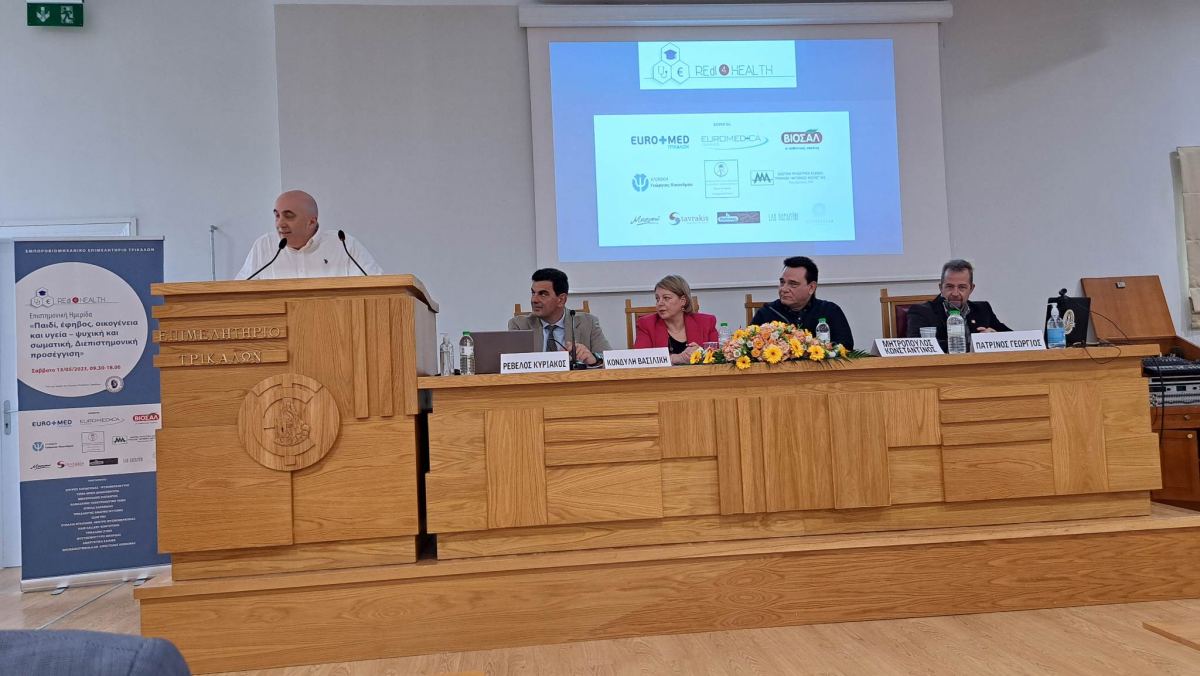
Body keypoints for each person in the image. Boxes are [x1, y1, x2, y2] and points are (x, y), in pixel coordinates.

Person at [236, 190, 383, 279]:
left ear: (311, 222)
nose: (280, 223)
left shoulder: (344, 245)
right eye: (277, 215)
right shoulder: (264, 246)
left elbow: (378, 287)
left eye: (289, 216)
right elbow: (239, 293)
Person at [509, 268, 611, 366]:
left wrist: (594, 360)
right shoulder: (520, 325)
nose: (534, 300)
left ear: (561, 300)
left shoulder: (588, 323)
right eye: (533, 293)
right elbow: (511, 365)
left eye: (543, 294)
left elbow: (609, 359)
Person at [749, 256, 854, 348]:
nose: (784, 289)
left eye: (793, 284)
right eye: (782, 282)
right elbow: (749, 347)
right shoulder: (767, 312)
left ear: (811, 287)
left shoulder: (830, 311)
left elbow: (846, 347)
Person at [906, 258, 1010, 351]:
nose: (955, 293)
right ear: (941, 287)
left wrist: (994, 337)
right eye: (949, 286)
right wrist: (976, 344)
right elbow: (916, 345)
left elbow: (1012, 338)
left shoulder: (983, 309)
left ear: (971, 288)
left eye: (962, 287)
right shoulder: (921, 312)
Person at [633, 275, 719, 364]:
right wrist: (675, 358)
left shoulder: (706, 322)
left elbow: (718, 357)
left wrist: (701, 354)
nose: (660, 303)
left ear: (683, 301)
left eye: (666, 298)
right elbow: (640, 359)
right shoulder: (646, 324)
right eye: (657, 299)